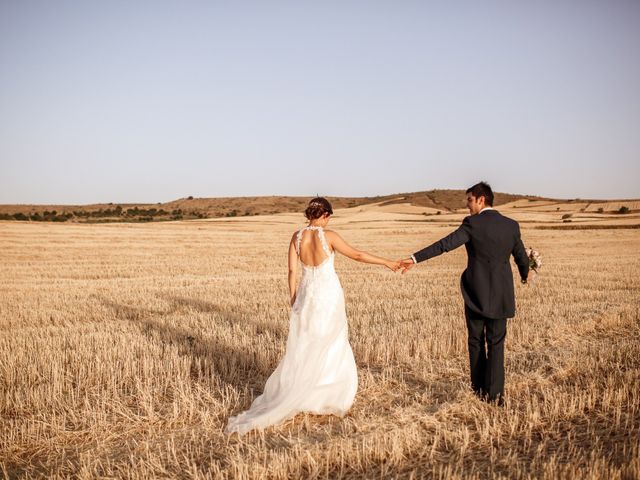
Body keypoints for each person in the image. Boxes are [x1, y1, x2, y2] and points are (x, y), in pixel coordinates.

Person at [226, 197, 400, 434]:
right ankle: (324, 393)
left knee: (307, 343)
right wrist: (388, 263)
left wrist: (293, 298)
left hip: (307, 296)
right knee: (331, 341)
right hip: (328, 295)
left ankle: (304, 390)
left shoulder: (296, 237)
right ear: (326, 214)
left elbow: (291, 270)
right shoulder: (329, 236)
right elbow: (358, 255)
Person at [399, 182, 530, 406]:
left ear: (481, 199)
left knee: (476, 341)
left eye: (469, 200)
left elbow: (445, 245)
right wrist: (526, 273)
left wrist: (414, 258)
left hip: (475, 294)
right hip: (501, 295)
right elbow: (520, 257)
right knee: (497, 344)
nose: (467, 205)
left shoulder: (472, 224)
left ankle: (478, 391)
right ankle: (495, 396)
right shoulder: (511, 225)